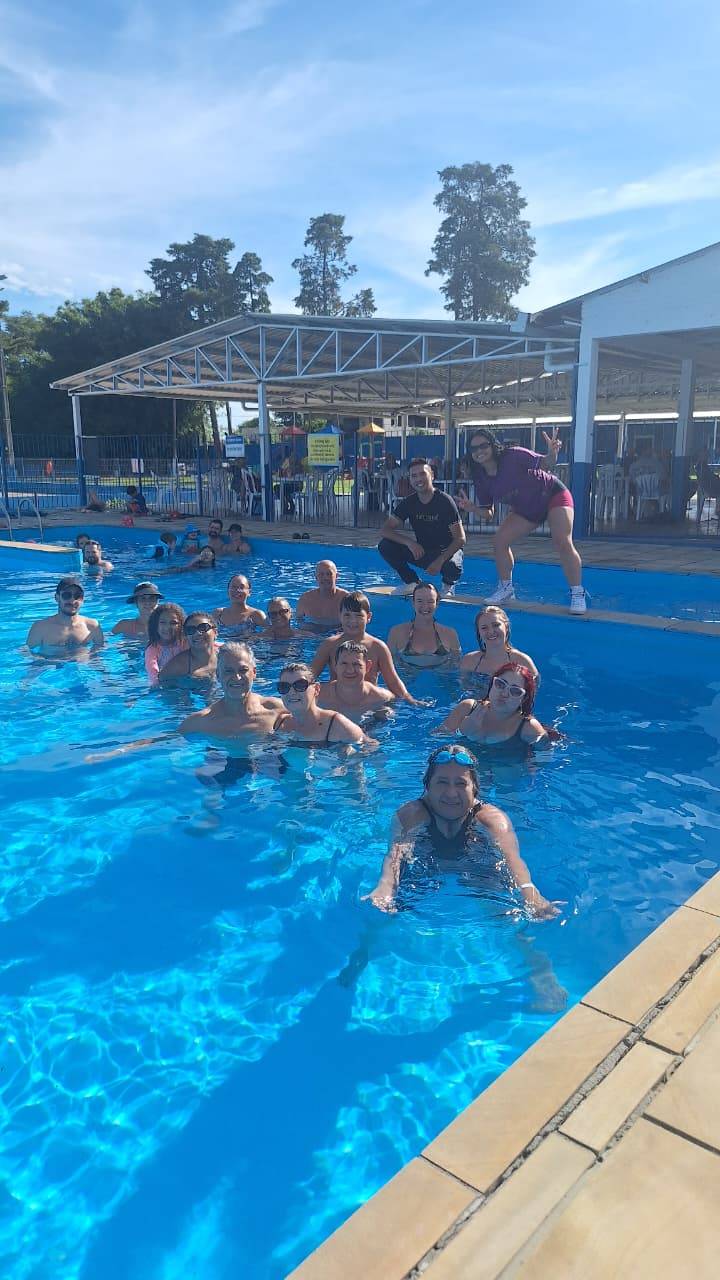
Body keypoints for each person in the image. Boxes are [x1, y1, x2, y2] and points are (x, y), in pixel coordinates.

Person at [363, 744, 559, 916]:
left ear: (474, 788)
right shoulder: (412, 814)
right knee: (389, 911)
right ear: (427, 785)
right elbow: (396, 854)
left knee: (511, 916)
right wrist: (385, 888)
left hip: (477, 869)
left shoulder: (492, 819)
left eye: (461, 783)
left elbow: (512, 860)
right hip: (426, 868)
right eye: (442, 782)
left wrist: (531, 895)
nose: (451, 793)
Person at [458, 428, 587, 614]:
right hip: (527, 510)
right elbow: (488, 514)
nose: (479, 451)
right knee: (500, 540)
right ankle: (506, 589)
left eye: (483, 446)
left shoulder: (513, 456)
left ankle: (577, 592)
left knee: (562, 541)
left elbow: (546, 463)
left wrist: (552, 452)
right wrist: (473, 509)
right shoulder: (480, 478)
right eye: (474, 448)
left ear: (493, 445)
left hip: (553, 495)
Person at [378, 457, 465, 597]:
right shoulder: (409, 502)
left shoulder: (445, 501)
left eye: (423, 474)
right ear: (410, 479)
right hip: (423, 551)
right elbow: (385, 530)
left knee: (453, 563)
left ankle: (448, 586)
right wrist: (409, 542)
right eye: (414, 476)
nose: (419, 479)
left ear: (432, 475)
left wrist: (440, 560)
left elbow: (460, 539)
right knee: (385, 546)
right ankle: (411, 582)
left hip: (445, 552)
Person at [310, 591, 415, 703]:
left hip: (368, 704)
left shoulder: (378, 647)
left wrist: (409, 700)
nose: (352, 621)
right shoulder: (330, 645)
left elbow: (393, 681)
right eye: (347, 615)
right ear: (340, 616)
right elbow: (310, 676)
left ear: (368, 617)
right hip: (337, 704)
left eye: (358, 616)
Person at [180, 644, 284, 738]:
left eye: (243, 670)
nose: (237, 677)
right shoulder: (199, 722)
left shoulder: (276, 710)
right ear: (218, 675)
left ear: (254, 672)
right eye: (228, 671)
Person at [435, 663, 548, 746]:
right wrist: (461, 732)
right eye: (500, 684)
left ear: (524, 699)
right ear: (492, 684)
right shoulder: (468, 708)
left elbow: (542, 761)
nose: (504, 693)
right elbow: (435, 739)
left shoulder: (529, 728)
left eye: (515, 691)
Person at [273, 663, 370, 746]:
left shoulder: (337, 725)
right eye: (284, 686)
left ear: (316, 689)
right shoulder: (281, 723)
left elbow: (369, 747)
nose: (291, 692)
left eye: (300, 685)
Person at [460, 606, 538, 696]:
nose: (491, 631)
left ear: (506, 627)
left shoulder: (522, 661)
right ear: (479, 632)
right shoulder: (469, 661)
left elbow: (531, 696)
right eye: (484, 628)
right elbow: (462, 691)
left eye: (496, 625)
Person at [317, 641, 395, 723]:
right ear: (335, 666)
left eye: (356, 664)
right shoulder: (316, 696)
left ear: (368, 666)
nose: (350, 670)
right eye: (344, 663)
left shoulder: (382, 699)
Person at [387, 582, 461, 668]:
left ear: (437, 603)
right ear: (413, 603)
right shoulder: (396, 632)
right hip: (407, 675)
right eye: (420, 601)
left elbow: (456, 664)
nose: (425, 606)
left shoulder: (450, 634)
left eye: (430, 601)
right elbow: (389, 663)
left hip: (441, 675)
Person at [26, 579, 104, 657]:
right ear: (57, 597)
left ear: (82, 600)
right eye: (67, 595)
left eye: (77, 596)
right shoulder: (40, 627)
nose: (72, 600)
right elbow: (27, 652)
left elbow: (99, 651)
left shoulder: (92, 626)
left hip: (83, 664)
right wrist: (44, 661)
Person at [158, 612, 219, 682]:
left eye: (203, 627)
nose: (197, 633)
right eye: (190, 630)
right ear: (185, 636)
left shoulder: (225, 655)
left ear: (215, 632)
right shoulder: (176, 667)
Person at [295, 560, 349, 630]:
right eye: (321, 574)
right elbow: (298, 622)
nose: (325, 578)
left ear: (336, 576)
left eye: (329, 574)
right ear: (316, 577)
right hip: (312, 634)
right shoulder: (305, 599)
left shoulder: (346, 599)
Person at [145, 603, 187, 683]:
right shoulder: (152, 650)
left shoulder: (185, 643)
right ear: (155, 625)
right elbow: (153, 675)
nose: (167, 627)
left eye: (173, 623)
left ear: (181, 626)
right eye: (162, 622)